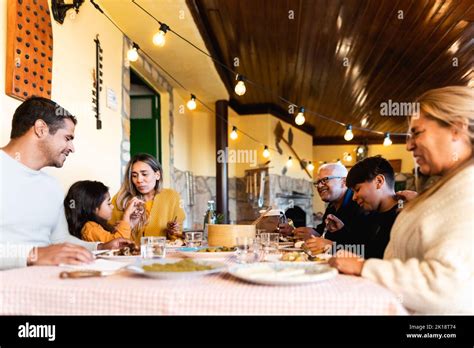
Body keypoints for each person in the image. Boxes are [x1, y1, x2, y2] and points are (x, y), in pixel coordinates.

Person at [329, 86, 474, 314]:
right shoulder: (449, 185)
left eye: (417, 133)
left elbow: (449, 287)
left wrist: (363, 267)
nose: (409, 145)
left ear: (456, 129)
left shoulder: (468, 189)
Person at [0, 97, 131, 270]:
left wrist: (100, 247)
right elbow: (42, 253)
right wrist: (33, 255)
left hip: (49, 280)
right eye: (67, 138)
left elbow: (60, 240)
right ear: (41, 129)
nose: (72, 148)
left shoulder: (52, 185)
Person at [110, 153, 186, 244]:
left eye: (144, 174)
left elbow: (178, 237)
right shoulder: (120, 199)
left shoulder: (171, 197)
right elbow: (112, 236)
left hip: (160, 254)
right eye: (134, 175)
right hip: (128, 255)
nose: (139, 180)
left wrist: (172, 232)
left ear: (157, 175)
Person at [64, 180, 144, 243]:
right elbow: (118, 244)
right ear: (94, 208)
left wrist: (130, 224)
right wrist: (126, 215)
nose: (112, 206)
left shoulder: (97, 226)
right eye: (108, 203)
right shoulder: (89, 228)